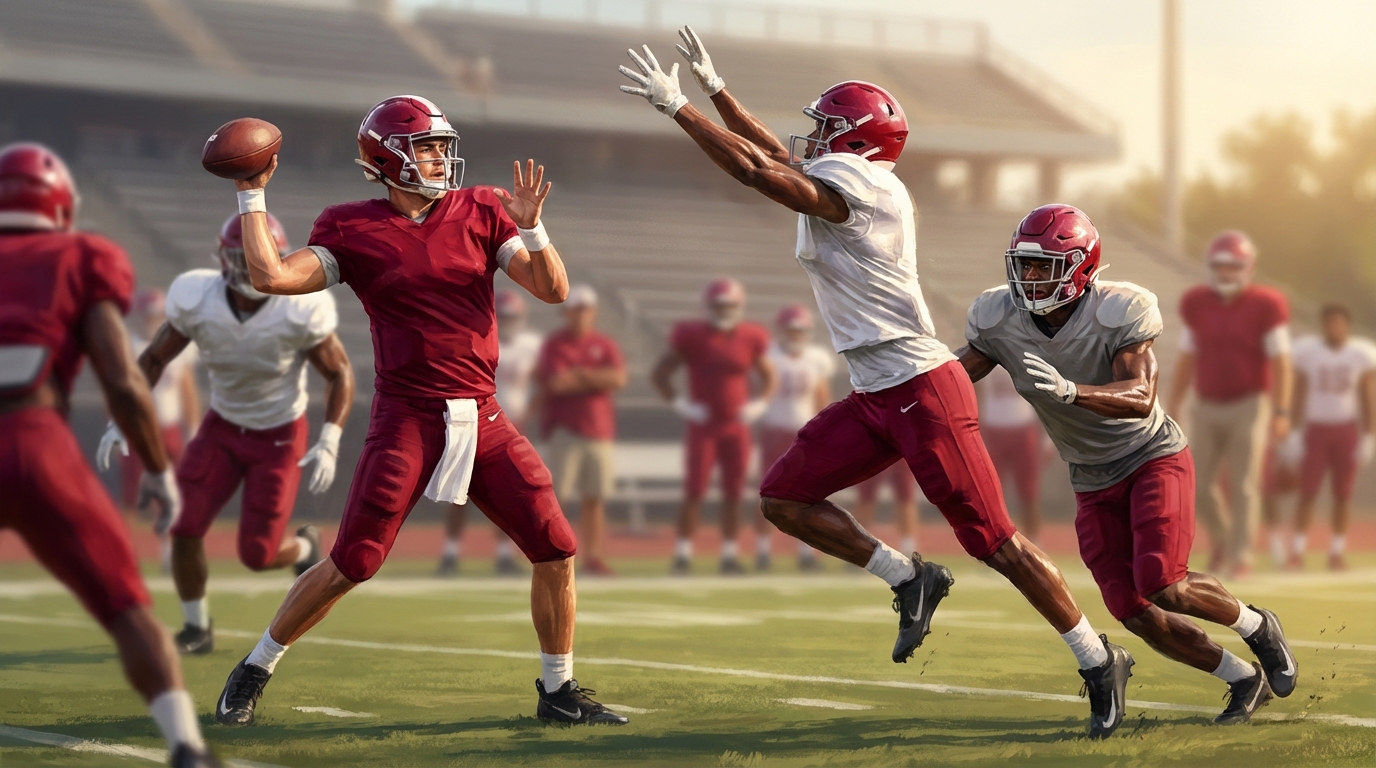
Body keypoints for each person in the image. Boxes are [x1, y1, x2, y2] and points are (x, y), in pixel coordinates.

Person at [621, 29, 1128, 737]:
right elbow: (773, 155)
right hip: (876, 392)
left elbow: (761, 174)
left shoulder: (868, 187)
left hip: (922, 388)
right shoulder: (852, 175)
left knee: (995, 542)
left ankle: (1098, 657)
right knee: (784, 497)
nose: (812, 137)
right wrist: (717, 91)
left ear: (857, 144)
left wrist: (679, 108)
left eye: (827, 128)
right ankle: (909, 577)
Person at [212, 95, 626, 727]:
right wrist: (251, 193)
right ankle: (256, 667)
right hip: (408, 416)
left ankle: (558, 689)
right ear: (388, 157)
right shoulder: (351, 226)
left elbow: (553, 289)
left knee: (556, 545)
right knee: (356, 559)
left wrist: (534, 227)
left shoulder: (484, 209)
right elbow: (270, 277)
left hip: (482, 414)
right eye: (428, 146)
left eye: (442, 145)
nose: (441, 157)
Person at [959, 203, 1299, 726]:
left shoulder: (1119, 310)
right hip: (1090, 476)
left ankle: (1257, 626)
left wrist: (1073, 391)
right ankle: (1241, 677)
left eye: (1043, 265)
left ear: (1080, 266)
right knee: (1131, 609)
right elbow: (955, 380)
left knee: (1166, 582)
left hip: (1150, 456)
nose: (1028, 277)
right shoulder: (999, 317)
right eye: (1023, 264)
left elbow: (1141, 395)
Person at [0, 142, 219, 767]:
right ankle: (184, 745)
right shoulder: (80, 254)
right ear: (62, 207)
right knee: (125, 604)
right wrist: (157, 471)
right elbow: (123, 381)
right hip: (38, 439)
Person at [97, 212, 353, 656]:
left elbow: (339, 372)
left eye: (255, 257)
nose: (247, 267)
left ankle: (301, 546)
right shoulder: (198, 297)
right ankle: (196, 629)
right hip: (222, 425)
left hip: (278, 433)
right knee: (184, 526)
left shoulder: (298, 305)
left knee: (257, 555)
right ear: (221, 259)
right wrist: (121, 418)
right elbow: (155, 359)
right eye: (238, 257)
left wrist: (330, 437)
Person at [1165, 231, 1292, 577]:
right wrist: (1175, 401)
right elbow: (1188, 356)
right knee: (1198, 483)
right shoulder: (1198, 303)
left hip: (1249, 402)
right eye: (1220, 266)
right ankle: (1222, 538)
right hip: (1206, 403)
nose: (1226, 273)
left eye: (1233, 266)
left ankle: (1241, 556)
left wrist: (1281, 410)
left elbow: (1281, 361)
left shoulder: (1265, 304)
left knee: (1243, 483)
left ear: (1248, 268)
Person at [652, 277, 775, 574]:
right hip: (704, 425)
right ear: (709, 306)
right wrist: (683, 405)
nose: (724, 311)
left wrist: (759, 404)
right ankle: (682, 554)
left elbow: (769, 376)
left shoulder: (750, 336)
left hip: (736, 425)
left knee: (735, 492)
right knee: (694, 490)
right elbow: (661, 374)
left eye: (729, 305)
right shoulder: (692, 335)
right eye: (719, 305)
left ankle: (729, 555)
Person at [438, 289, 541, 576]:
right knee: (460, 492)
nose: (509, 322)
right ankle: (450, 553)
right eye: (505, 317)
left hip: (512, 427)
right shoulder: (480, 340)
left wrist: (529, 411)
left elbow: (544, 382)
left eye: (513, 317)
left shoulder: (531, 345)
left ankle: (504, 554)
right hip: (475, 422)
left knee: (508, 495)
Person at [536, 284, 626, 576]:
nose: (580, 316)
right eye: (576, 310)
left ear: (593, 313)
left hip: (598, 430)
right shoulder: (556, 344)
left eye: (585, 310)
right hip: (566, 429)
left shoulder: (604, 343)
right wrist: (596, 378)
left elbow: (618, 378)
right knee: (558, 496)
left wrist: (582, 375)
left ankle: (593, 556)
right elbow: (557, 383)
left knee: (595, 497)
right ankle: (555, 554)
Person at [1282, 304, 1376, 571]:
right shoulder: (1309, 352)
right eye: (1329, 323)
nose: (1334, 328)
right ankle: (1297, 551)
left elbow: (1367, 396)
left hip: (1346, 428)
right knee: (1308, 491)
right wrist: (1296, 432)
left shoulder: (1360, 354)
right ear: (1323, 325)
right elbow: (1299, 392)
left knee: (1343, 494)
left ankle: (1336, 551)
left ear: (1347, 326)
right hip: (1315, 429)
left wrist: (1369, 435)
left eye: (1338, 323)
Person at [756, 303, 833, 571]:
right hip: (775, 431)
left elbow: (822, 397)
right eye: (791, 330)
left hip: (804, 434)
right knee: (768, 492)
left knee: (807, 495)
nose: (796, 335)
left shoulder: (816, 359)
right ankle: (763, 549)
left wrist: (823, 430)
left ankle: (806, 551)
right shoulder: (768, 356)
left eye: (800, 330)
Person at [119, 288, 200, 514]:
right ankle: (130, 545)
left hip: (169, 427)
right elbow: (117, 393)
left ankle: (167, 546)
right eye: (150, 315)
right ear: (140, 316)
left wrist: (192, 430)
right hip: (138, 429)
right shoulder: (128, 347)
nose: (154, 321)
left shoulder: (178, 347)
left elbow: (187, 392)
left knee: (174, 493)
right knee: (133, 496)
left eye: (158, 315)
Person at [977, 366, 1049, 542]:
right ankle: (993, 542)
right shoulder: (981, 352)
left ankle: (1034, 540)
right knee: (989, 493)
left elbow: (1040, 396)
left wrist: (1047, 436)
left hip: (1023, 428)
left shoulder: (1022, 352)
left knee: (1028, 491)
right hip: (992, 429)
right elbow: (975, 394)